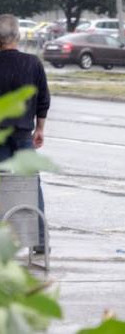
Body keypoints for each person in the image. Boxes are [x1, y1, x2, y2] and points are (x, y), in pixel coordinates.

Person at [0, 14, 49, 253]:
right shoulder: (33, 64)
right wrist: (39, 128)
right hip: (23, 133)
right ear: (17, 36)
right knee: (31, 185)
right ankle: (39, 240)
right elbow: (42, 99)